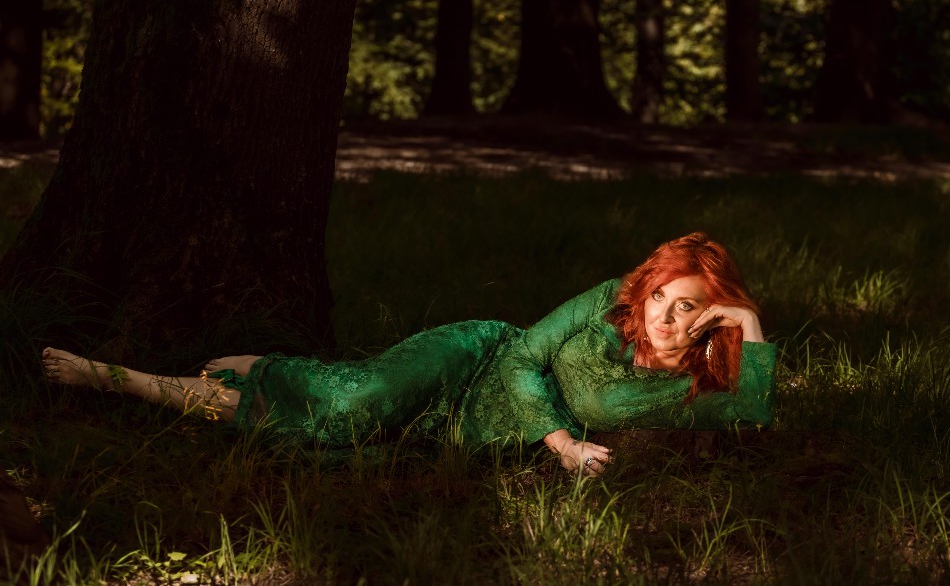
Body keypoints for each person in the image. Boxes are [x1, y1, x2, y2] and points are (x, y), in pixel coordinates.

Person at [42, 232, 774, 477]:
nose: (663, 317)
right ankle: (136, 378)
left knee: (325, 443)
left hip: (465, 434)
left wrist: (747, 319)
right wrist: (561, 442)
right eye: (660, 296)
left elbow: (754, 410)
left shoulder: (688, 388)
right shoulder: (611, 299)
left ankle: (241, 375)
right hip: (473, 359)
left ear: (711, 317)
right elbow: (523, 353)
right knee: (352, 402)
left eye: (688, 307)